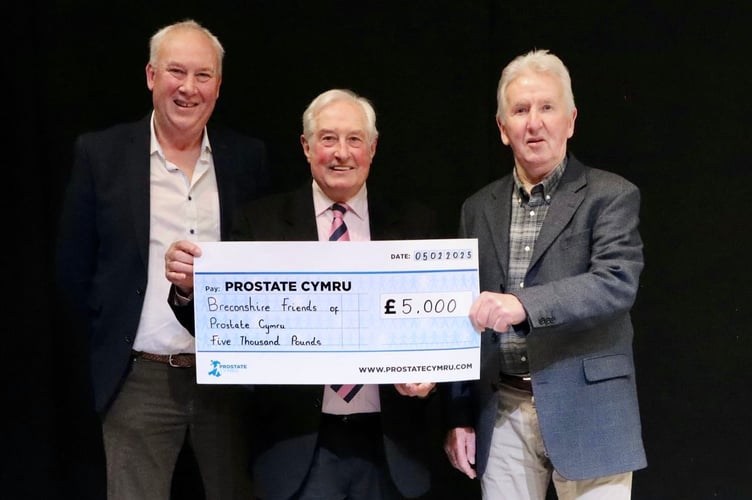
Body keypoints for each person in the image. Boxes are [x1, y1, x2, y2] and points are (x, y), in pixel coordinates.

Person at [165, 88, 438, 500]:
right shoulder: (261, 224)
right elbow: (223, 325)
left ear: (373, 147)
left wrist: (430, 374)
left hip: (392, 446)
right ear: (306, 147)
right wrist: (188, 290)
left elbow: (440, 328)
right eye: (328, 139)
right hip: (295, 446)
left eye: (354, 139)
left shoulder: (418, 224)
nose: (341, 153)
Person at [56, 19, 271, 499]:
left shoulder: (246, 159)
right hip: (138, 377)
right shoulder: (101, 154)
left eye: (203, 75)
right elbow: (74, 272)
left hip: (228, 380)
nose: (188, 88)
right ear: (152, 76)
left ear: (218, 85)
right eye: (177, 72)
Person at [442, 49, 647, 499]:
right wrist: (459, 414)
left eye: (546, 108)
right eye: (519, 110)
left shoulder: (611, 196)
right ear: (502, 128)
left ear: (570, 121)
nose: (533, 122)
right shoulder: (477, 208)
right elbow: (463, 316)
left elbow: (615, 282)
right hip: (503, 412)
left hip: (590, 411)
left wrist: (522, 305)